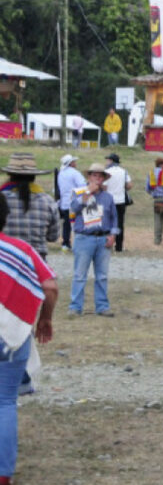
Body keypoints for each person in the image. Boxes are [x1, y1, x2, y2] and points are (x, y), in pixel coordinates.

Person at [0, 195, 59, 485]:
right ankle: (3, 474)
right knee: (4, 402)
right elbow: (50, 287)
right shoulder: (21, 250)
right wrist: (45, 318)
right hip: (11, 334)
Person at [68, 163, 118, 316]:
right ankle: (75, 307)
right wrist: (87, 193)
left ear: (104, 179)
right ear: (89, 177)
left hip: (103, 239)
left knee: (102, 276)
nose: (97, 179)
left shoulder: (108, 197)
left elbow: (114, 219)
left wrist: (113, 235)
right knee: (79, 275)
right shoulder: (78, 193)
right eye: (94, 175)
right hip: (84, 238)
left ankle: (102, 306)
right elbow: (73, 209)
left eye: (100, 176)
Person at [0, 153, 59, 260]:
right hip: (37, 261)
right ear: (34, 176)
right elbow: (53, 237)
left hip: (6, 260)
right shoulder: (48, 201)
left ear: (10, 175)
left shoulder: (2, 199)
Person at [103, 153, 132, 253]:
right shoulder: (123, 171)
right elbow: (129, 185)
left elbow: (104, 187)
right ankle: (119, 246)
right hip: (120, 201)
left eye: (107, 160)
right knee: (119, 224)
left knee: (107, 222)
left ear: (111, 161)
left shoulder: (106, 172)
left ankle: (107, 244)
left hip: (109, 201)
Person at [56, 155, 85, 253]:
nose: (75, 163)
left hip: (64, 203)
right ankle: (78, 244)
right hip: (74, 203)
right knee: (78, 224)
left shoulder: (61, 173)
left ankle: (65, 244)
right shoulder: (75, 173)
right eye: (74, 161)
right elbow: (82, 186)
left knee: (66, 225)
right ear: (71, 163)